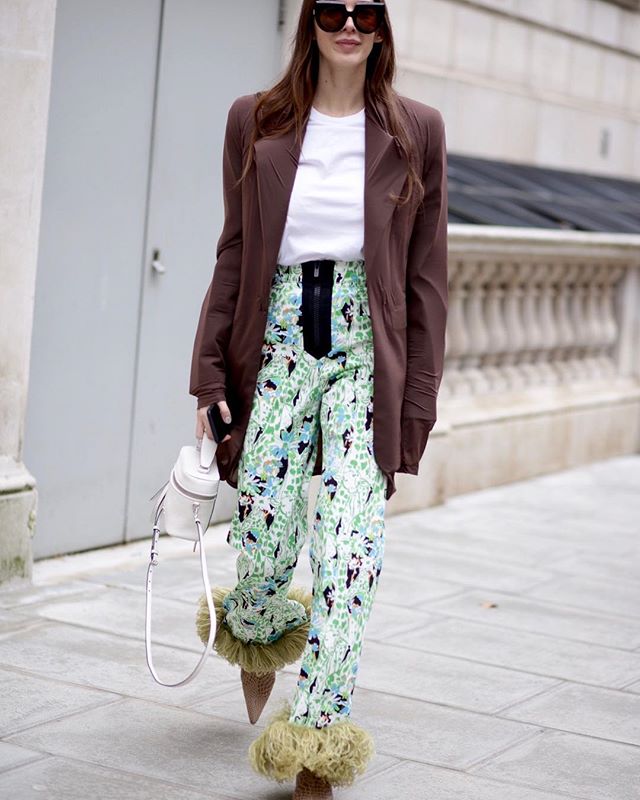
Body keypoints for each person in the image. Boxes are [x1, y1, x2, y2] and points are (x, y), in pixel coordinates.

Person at [191, 1, 448, 798]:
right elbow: (235, 250)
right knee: (265, 526)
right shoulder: (255, 120)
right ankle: (261, 630)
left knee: (349, 550)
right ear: (309, 21)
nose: (349, 23)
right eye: (332, 8)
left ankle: (315, 741)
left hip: (367, 358)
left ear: (382, 26)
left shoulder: (417, 131)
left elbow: (426, 279)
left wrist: (417, 408)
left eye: (365, 10)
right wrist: (207, 374)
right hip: (274, 344)